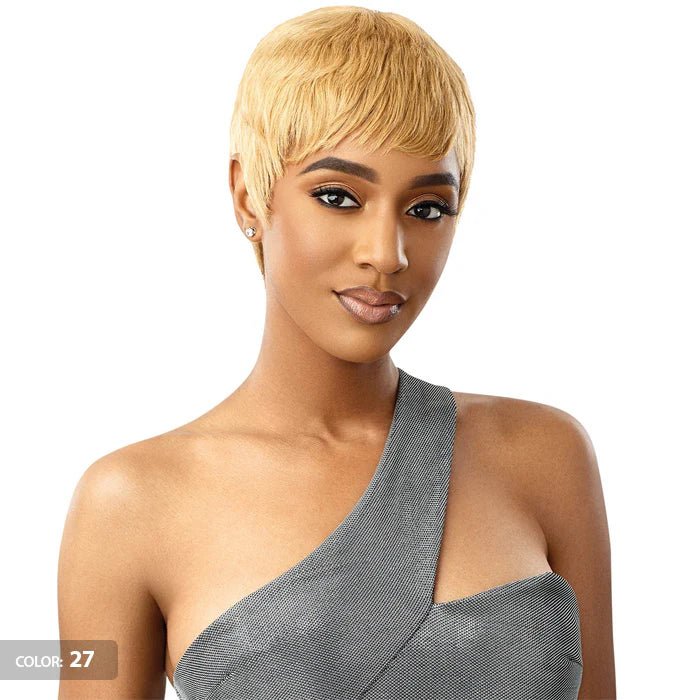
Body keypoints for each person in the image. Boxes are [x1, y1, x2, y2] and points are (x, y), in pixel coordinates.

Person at [57, 6, 615, 699]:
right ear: (248, 197)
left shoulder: (545, 456)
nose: (387, 253)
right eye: (338, 196)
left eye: (427, 208)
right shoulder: (128, 504)